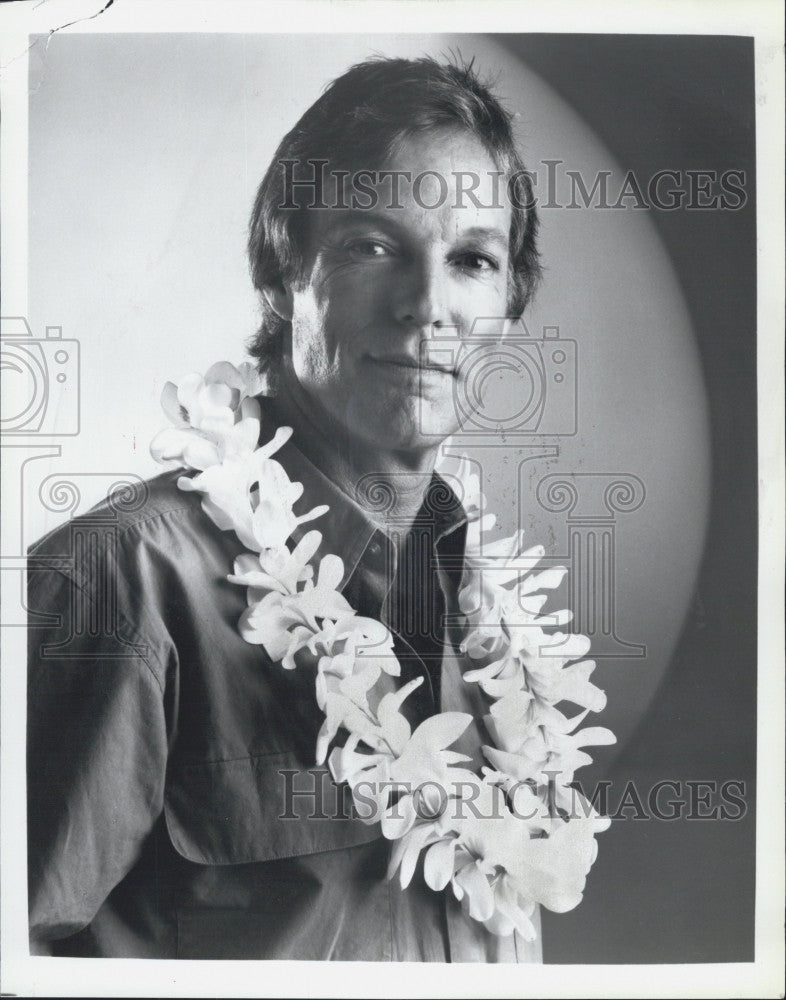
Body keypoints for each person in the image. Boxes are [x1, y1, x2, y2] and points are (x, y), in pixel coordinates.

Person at [27, 55, 545, 961]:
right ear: (280, 273)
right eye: (371, 246)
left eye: (471, 260)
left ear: (508, 302)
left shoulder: (490, 611)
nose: (429, 306)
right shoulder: (124, 580)